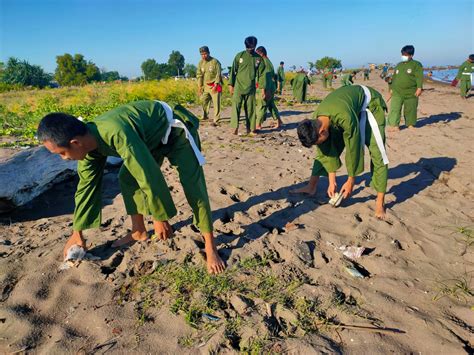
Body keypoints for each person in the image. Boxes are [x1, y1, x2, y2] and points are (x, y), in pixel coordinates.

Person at [37, 100, 225, 274]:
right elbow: (86, 188)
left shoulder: (116, 133)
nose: (64, 159)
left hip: (174, 131)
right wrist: (77, 232)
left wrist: (160, 217)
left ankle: (210, 246)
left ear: (75, 143)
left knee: (193, 186)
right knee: (127, 177)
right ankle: (138, 231)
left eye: (62, 153)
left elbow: (147, 174)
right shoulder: (87, 147)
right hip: (148, 139)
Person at [291, 85, 389, 219]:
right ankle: (311, 186)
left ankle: (380, 200)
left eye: (317, 141)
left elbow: (354, 148)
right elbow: (325, 150)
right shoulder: (316, 119)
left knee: (378, 153)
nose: (318, 144)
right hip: (345, 109)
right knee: (324, 149)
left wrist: (351, 180)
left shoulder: (345, 118)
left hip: (370, 106)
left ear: (321, 132)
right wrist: (332, 182)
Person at [229, 36, 263, 135]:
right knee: (236, 108)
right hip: (238, 87)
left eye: (252, 47)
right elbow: (233, 71)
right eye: (248, 47)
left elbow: (261, 74)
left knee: (251, 109)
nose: (250, 49)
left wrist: (262, 88)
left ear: (255, 46)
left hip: (251, 88)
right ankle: (234, 128)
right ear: (245, 46)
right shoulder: (239, 56)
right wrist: (231, 85)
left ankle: (251, 129)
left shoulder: (258, 58)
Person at [387, 45, 423, 131]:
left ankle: (410, 124)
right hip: (397, 91)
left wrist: (419, 88)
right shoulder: (399, 65)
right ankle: (394, 125)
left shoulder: (416, 64)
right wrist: (390, 88)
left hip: (411, 92)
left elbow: (419, 77)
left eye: (406, 54)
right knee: (395, 108)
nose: (403, 56)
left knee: (410, 109)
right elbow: (394, 78)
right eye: (403, 54)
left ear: (411, 55)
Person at [255, 46, 282, 129]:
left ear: (261, 53)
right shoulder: (268, 61)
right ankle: (279, 121)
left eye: (256, 54)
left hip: (265, 88)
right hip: (270, 87)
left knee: (262, 106)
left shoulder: (264, 62)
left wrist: (264, 90)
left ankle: (258, 125)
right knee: (271, 105)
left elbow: (264, 77)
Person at [196, 46, 222, 124]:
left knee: (216, 102)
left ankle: (216, 119)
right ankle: (205, 115)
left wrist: (215, 85)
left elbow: (218, 74)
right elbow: (199, 75)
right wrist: (200, 86)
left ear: (209, 53)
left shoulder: (215, 62)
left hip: (215, 85)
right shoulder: (201, 63)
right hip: (206, 85)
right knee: (204, 100)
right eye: (202, 54)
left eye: (205, 54)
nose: (204, 56)